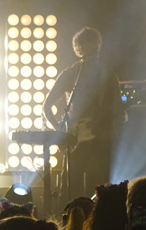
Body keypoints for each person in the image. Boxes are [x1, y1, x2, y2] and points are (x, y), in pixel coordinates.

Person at [42, 27, 122, 200]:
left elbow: (118, 110)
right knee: (69, 189)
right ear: (79, 49)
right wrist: (60, 131)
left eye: (96, 46)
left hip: (102, 138)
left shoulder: (108, 75)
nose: (94, 50)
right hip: (77, 139)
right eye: (89, 46)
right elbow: (46, 107)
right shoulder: (70, 74)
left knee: (111, 188)